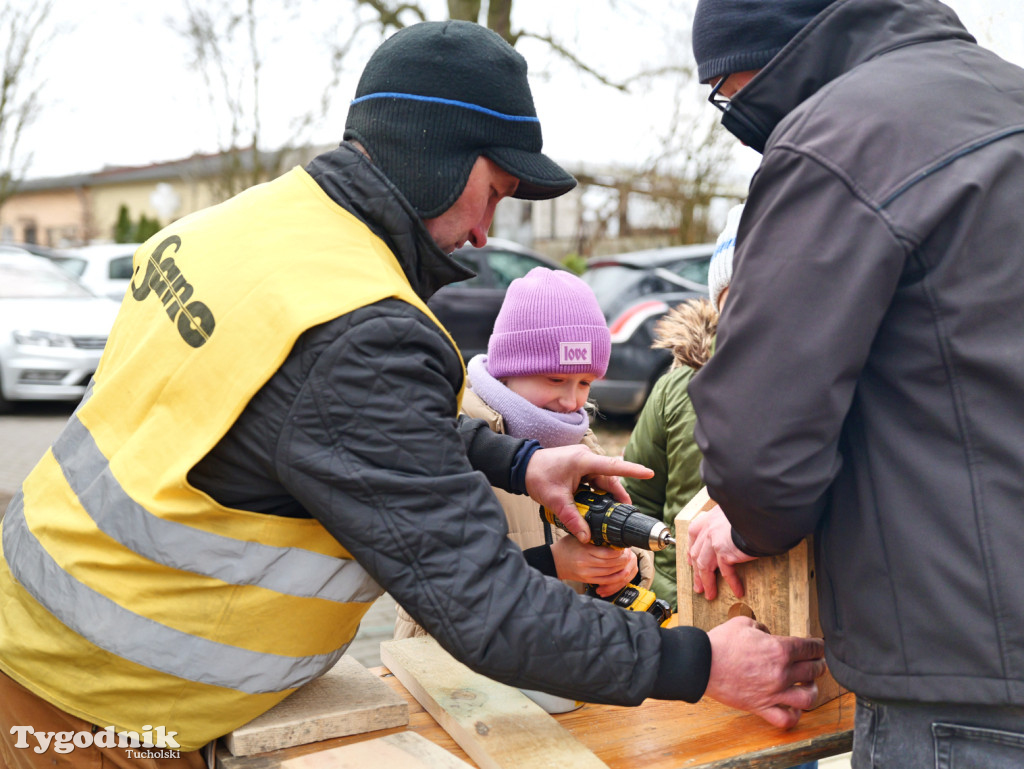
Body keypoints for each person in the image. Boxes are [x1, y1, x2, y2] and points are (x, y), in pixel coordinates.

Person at [0, 20, 825, 769]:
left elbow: (299, 421)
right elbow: (490, 611)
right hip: (99, 710)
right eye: (495, 193)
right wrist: (702, 663)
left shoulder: (242, 230)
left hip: (40, 645)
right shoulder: (361, 328)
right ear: (435, 151)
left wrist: (519, 461)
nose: (485, 234)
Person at [688, 0, 1024, 766]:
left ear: (765, 55)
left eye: (722, 87)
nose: (729, 108)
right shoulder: (1009, 98)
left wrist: (748, 525)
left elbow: (759, 446)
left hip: (965, 686)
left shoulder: (836, 140)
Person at [395, 267, 654, 643]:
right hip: (455, 674)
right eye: (555, 380)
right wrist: (554, 565)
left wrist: (624, 568)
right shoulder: (453, 439)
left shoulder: (580, 442)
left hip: (560, 666)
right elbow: (430, 589)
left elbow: (626, 552)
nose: (571, 401)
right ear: (507, 370)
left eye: (585, 383)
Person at [621, 204, 742, 608]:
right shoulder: (677, 390)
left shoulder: (823, 392)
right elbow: (637, 499)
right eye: (733, 303)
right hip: (687, 602)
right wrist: (660, 595)